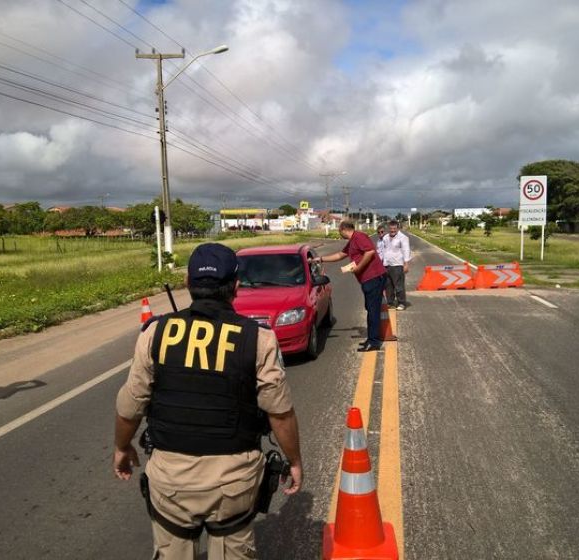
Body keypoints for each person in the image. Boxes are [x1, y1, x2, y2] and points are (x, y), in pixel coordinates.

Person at [113, 242, 302, 560]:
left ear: (188, 283)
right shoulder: (259, 338)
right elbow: (280, 413)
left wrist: (121, 447)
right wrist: (294, 460)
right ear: (236, 287)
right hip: (234, 481)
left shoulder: (155, 333)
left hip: (171, 480)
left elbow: (130, 406)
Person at [313, 221, 387, 352]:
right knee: (370, 308)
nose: (339, 233)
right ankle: (371, 339)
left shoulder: (359, 237)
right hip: (367, 280)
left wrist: (359, 267)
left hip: (373, 278)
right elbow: (340, 255)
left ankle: (374, 341)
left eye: (339, 231)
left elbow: (370, 252)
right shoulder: (352, 241)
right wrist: (321, 259)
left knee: (373, 310)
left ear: (343, 229)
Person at [382, 220, 411, 311]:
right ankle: (390, 302)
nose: (392, 230)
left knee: (399, 285)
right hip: (387, 264)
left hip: (397, 264)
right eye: (391, 228)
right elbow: (383, 250)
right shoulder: (385, 237)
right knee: (388, 286)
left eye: (394, 228)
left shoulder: (403, 238)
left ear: (398, 228)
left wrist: (406, 264)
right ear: (388, 228)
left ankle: (401, 303)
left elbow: (406, 250)